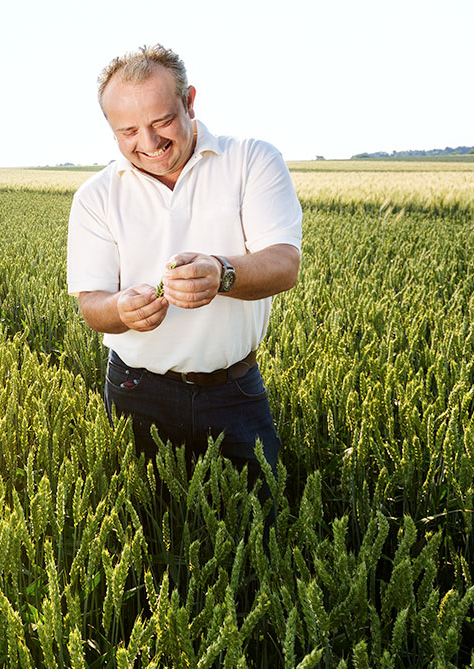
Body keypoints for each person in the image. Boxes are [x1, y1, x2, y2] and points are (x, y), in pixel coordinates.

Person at [67, 44, 302, 483]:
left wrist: (221, 272)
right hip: (136, 391)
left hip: (235, 390)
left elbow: (284, 264)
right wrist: (120, 310)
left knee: (261, 524)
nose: (149, 143)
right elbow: (90, 304)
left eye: (161, 122)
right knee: (145, 521)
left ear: (189, 101)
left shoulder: (252, 160)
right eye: (128, 131)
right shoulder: (95, 197)